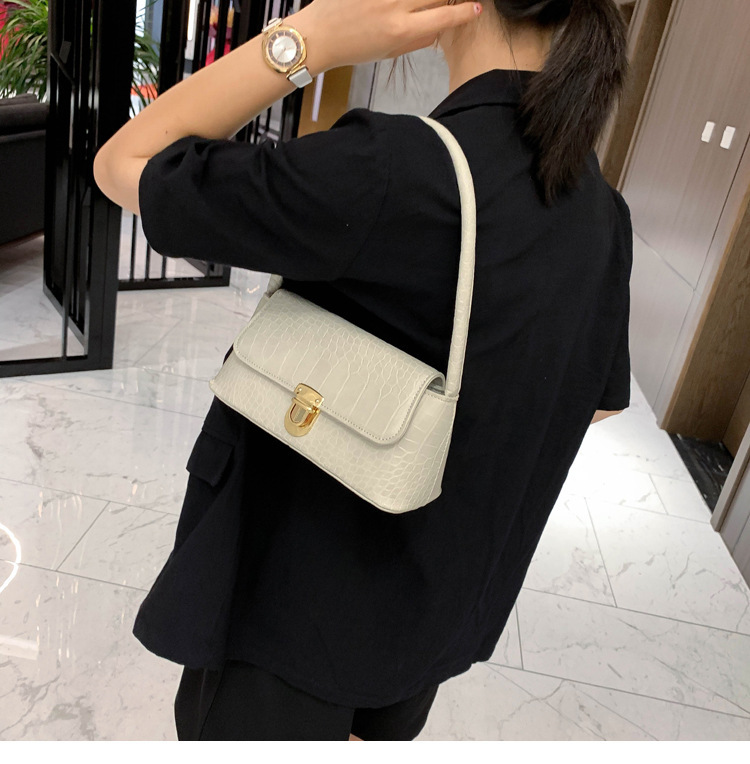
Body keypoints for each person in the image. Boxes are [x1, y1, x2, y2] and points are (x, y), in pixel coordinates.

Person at [93, 0, 632, 741]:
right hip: (432, 615)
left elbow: (123, 165)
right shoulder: (600, 210)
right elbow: (596, 401)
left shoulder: (391, 169)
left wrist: (307, 39)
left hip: (291, 616)